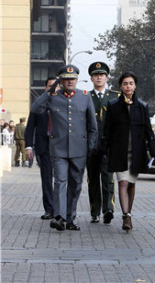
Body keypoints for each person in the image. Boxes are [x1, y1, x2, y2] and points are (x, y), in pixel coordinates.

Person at [31, 64, 98, 232]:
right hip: (58, 148)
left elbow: (93, 126)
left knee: (75, 184)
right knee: (60, 181)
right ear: (61, 80)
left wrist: (90, 147)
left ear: (76, 80)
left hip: (79, 149)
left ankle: (71, 218)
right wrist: (50, 90)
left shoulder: (84, 96)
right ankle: (59, 217)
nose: (70, 81)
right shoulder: (53, 96)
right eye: (66, 79)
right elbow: (35, 108)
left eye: (73, 78)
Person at [102, 72, 155, 231]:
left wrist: (154, 151)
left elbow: (148, 130)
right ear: (120, 86)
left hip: (136, 151)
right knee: (123, 182)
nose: (128, 86)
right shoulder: (113, 105)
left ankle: (129, 212)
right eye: (125, 83)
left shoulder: (141, 106)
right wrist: (104, 149)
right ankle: (126, 216)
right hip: (119, 151)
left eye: (131, 83)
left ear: (135, 86)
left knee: (131, 184)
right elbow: (107, 129)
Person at [87, 61, 117, 224]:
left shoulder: (115, 96)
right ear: (91, 78)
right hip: (91, 146)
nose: (99, 77)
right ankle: (95, 211)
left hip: (108, 146)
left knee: (108, 178)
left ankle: (108, 209)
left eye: (102, 75)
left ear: (106, 77)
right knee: (93, 179)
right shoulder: (86, 96)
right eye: (96, 75)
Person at [25, 77, 58, 219]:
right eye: (50, 86)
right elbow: (30, 127)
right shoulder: (38, 105)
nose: (53, 89)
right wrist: (28, 147)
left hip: (60, 148)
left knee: (61, 180)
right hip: (43, 148)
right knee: (46, 179)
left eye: (56, 86)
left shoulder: (64, 104)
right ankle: (49, 209)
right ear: (46, 88)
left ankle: (61, 209)